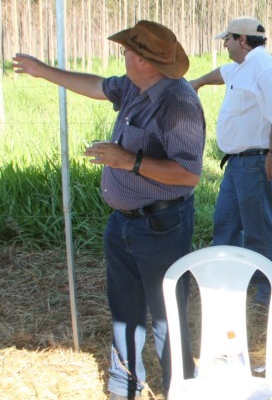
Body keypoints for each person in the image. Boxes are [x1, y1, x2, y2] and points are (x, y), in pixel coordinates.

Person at [13, 20, 206, 399]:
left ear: (146, 61)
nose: (124, 56)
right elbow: (96, 86)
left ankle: (180, 389)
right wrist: (41, 70)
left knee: (167, 315)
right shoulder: (135, 87)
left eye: (128, 51)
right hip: (123, 223)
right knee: (124, 309)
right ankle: (125, 385)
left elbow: (188, 174)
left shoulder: (178, 104)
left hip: (162, 225)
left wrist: (127, 161)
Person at [189, 16, 272, 305]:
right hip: (238, 164)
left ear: (243, 40)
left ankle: (267, 294)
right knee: (226, 223)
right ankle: (227, 281)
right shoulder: (243, 68)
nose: (224, 44)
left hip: (258, 162)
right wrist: (196, 82)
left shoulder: (268, 69)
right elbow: (222, 73)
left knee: (259, 229)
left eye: (228, 38)